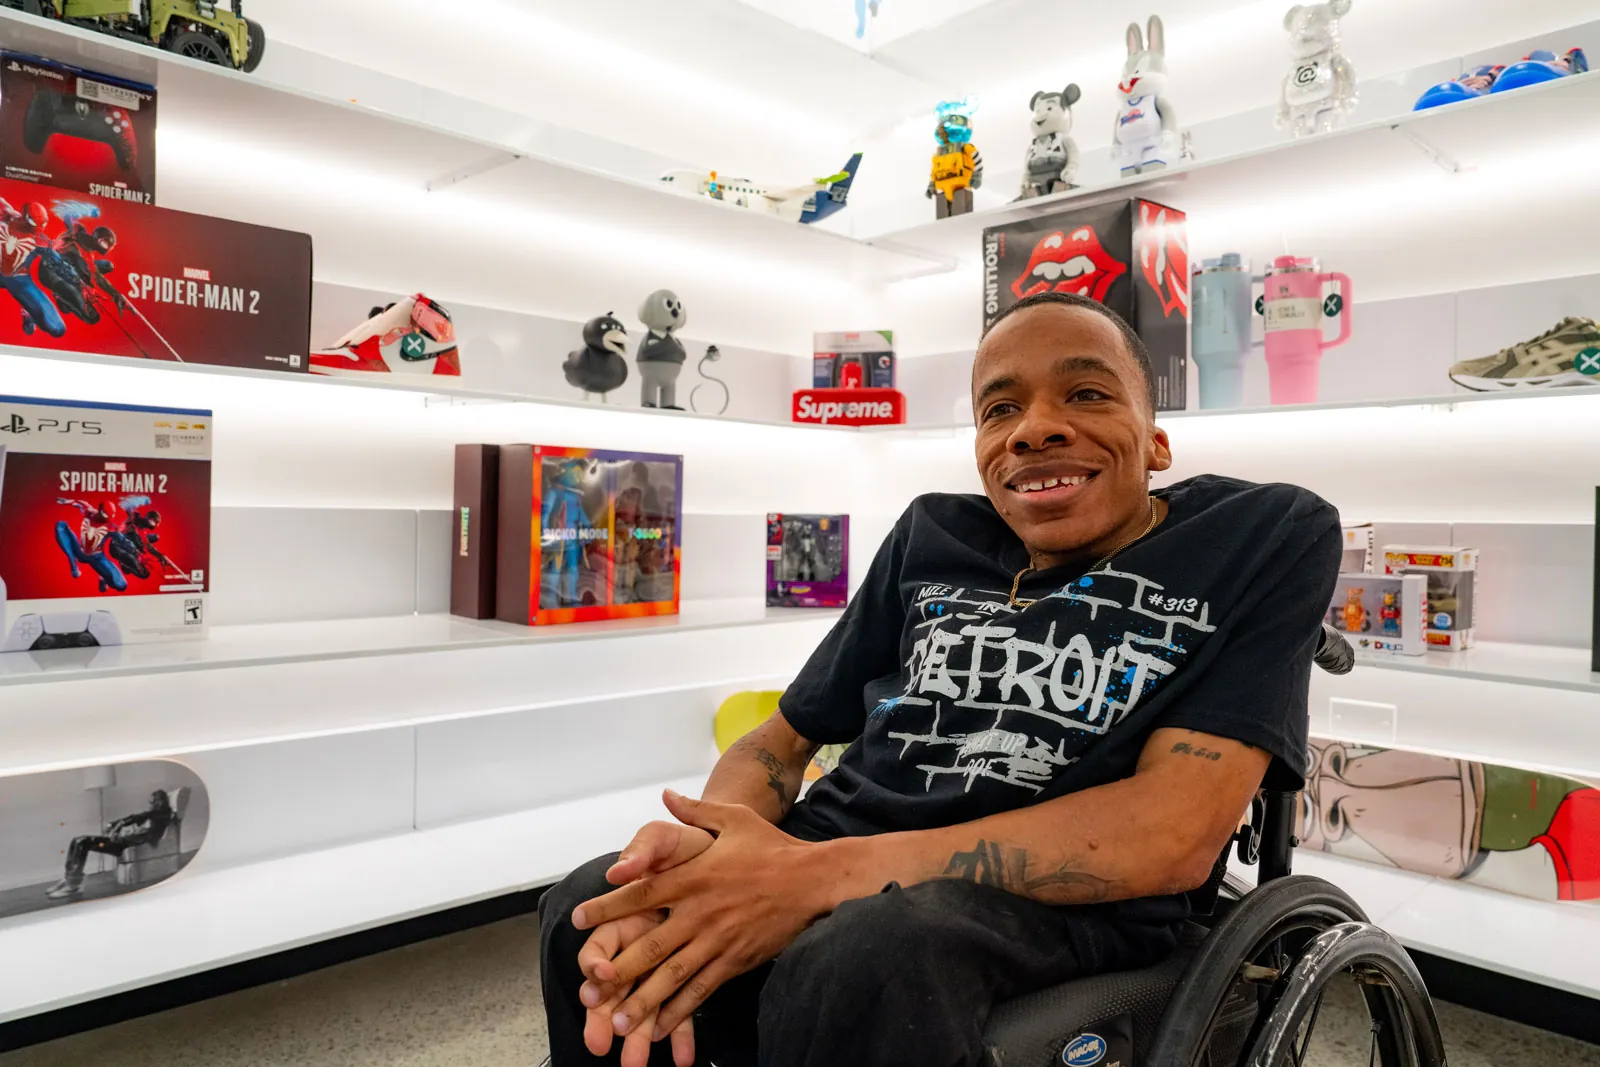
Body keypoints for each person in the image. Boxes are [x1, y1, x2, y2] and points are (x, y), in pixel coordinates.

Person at [539, 291, 1343, 1067]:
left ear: (1157, 441)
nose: (1033, 430)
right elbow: (781, 743)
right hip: (833, 849)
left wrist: (806, 880)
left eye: (1087, 392)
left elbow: (1170, 836)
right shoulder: (933, 531)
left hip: (1045, 905)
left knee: (862, 958)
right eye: (999, 411)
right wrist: (715, 851)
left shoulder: (1261, 534)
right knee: (592, 906)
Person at [46, 790, 175, 900]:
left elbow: (135, 817)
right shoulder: (154, 816)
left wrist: (118, 825)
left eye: (153, 801)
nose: (150, 804)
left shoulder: (162, 814)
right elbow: (138, 818)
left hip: (122, 845)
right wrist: (114, 825)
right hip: (121, 842)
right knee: (77, 840)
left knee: (82, 842)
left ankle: (73, 885)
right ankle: (69, 877)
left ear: (160, 802)